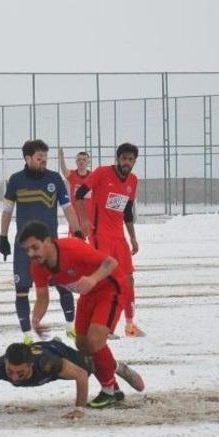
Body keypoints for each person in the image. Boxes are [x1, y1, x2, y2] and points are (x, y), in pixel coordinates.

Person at [17, 220, 144, 408]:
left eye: (34, 247)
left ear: (49, 241)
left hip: (111, 288)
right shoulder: (37, 267)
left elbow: (111, 262)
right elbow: (42, 297)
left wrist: (92, 279)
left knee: (95, 341)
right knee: (82, 345)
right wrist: (35, 319)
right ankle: (115, 375)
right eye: (27, 250)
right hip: (89, 294)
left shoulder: (73, 248)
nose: (31, 254)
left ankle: (108, 391)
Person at [0, 139, 84, 344]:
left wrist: (78, 231)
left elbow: (68, 208)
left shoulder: (54, 179)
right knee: (21, 291)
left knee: (63, 285)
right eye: (39, 159)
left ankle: (70, 327)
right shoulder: (16, 181)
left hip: (51, 247)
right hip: (23, 248)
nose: (44, 162)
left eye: (45, 158)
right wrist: (3, 237)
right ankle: (27, 336)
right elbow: (7, 211)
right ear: (28, 159)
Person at [0, 338, 143, 419]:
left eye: (20, 373)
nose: (14, 377)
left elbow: (81, 376)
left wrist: (79, 409)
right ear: (6, 362)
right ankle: (115, 387)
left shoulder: (47, 363)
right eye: (10, 371)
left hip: (56, 352)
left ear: (30, 366)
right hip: (37, 349)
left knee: (90, 365)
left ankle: (117, 367)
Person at [75, 143, 143, 337]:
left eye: (130, 160)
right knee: (101, 281)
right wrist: (85, 221)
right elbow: (79, 195)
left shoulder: (133, 181)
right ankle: (88, 326)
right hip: (100, 236)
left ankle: (130, 325)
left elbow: (127, 213)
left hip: (119, 238)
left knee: (128, 280)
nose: (127, 162)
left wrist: (133, 238)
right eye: (124, 158)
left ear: (134, 162)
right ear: (118, 159)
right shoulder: (102, 173)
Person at [58, 148, 92, 237]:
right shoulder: (73, 175)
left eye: (84, 160)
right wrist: (61, 158)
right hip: (75, 216)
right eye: (79, 159)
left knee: (89, 243)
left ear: (88, 162)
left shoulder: (93, 176)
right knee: (75, 241)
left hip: (89, 216)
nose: (81, 162)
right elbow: (64, 171)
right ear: (76, 162)